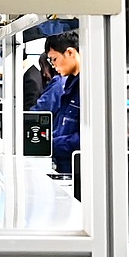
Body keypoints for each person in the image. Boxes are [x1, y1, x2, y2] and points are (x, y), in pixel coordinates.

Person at [33, 31, 81, 174]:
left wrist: (50, 143)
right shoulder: (70, 85)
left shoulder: (89, 87)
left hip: (77, 169)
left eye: (54, 59)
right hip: (63, 165)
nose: (53, 65)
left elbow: (89, 138)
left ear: (70, 53)